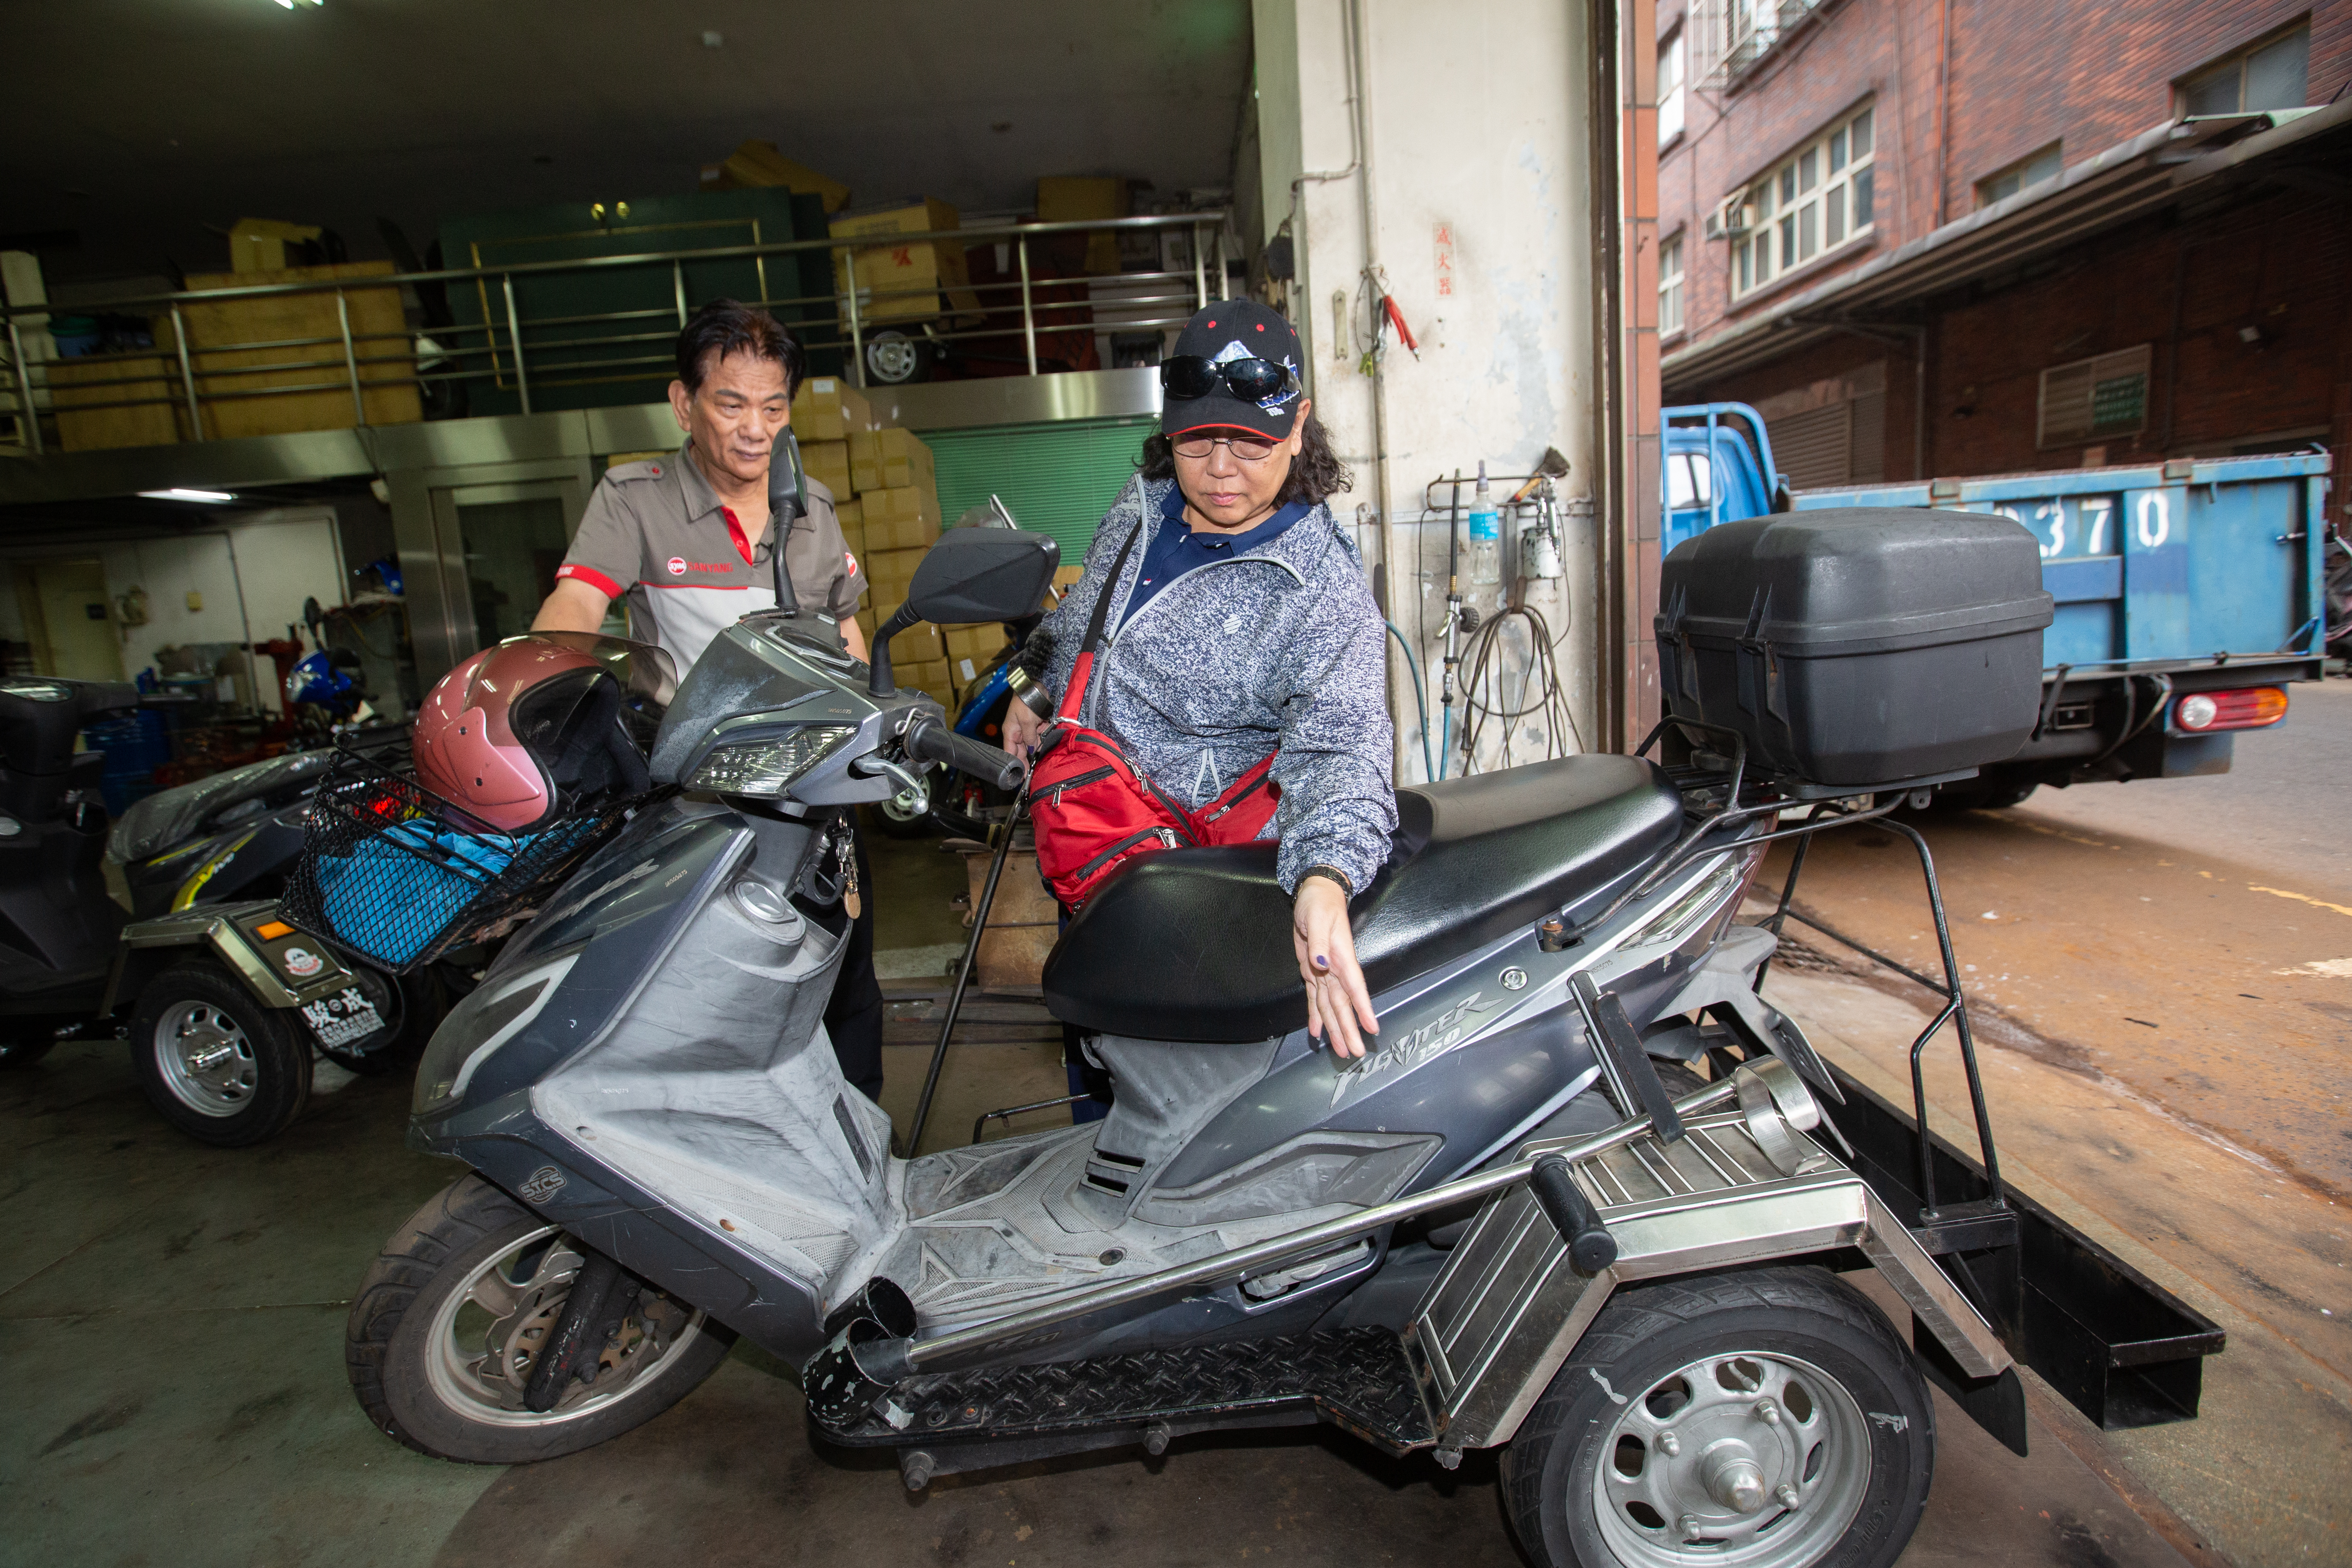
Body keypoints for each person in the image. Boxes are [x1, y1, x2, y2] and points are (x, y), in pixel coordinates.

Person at [1003, 299, 1394, 1070]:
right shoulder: (1141, 506)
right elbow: (1086, 619)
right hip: (1090, 842)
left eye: (1249, 443)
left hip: (1194, 894)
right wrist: (1034, 685)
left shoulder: (1318, 585)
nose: (1219, 469)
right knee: (1094, 1055)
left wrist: (1324, 877)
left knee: (1170, 1091)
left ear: (1298, 423)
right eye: (1196, 440)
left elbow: (1344, 748)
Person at [531, 299, 885, 1101]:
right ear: (683, 404)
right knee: (712, 996)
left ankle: (860, 1143)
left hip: (814, 801)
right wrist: (535, 697)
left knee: (842, 989)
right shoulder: (636, 499)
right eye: (731, 403)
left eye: (773, 406)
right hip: (698, 805)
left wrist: (870, 732)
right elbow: (576, 611)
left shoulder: (813, 508)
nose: (755, 429)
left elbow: (847, 632)